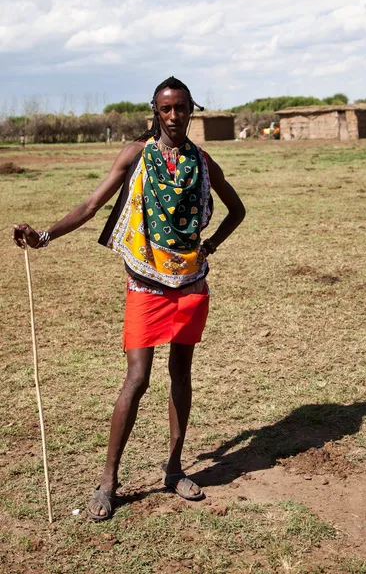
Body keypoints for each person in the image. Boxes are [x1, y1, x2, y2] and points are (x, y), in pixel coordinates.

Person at [12, 76, 245, 522]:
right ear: (154, 111)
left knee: (181, 374)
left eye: (181, 108)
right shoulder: (136, 155)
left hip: (191, 283)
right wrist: (44, 235)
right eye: (165, 108)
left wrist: (209, 245)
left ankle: (174, 470)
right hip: (145, 283)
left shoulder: (202, 161)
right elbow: (92, 204)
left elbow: (238, 209)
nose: (174, 116)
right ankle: (108, 481)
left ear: (192, 110)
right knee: (136, 380)